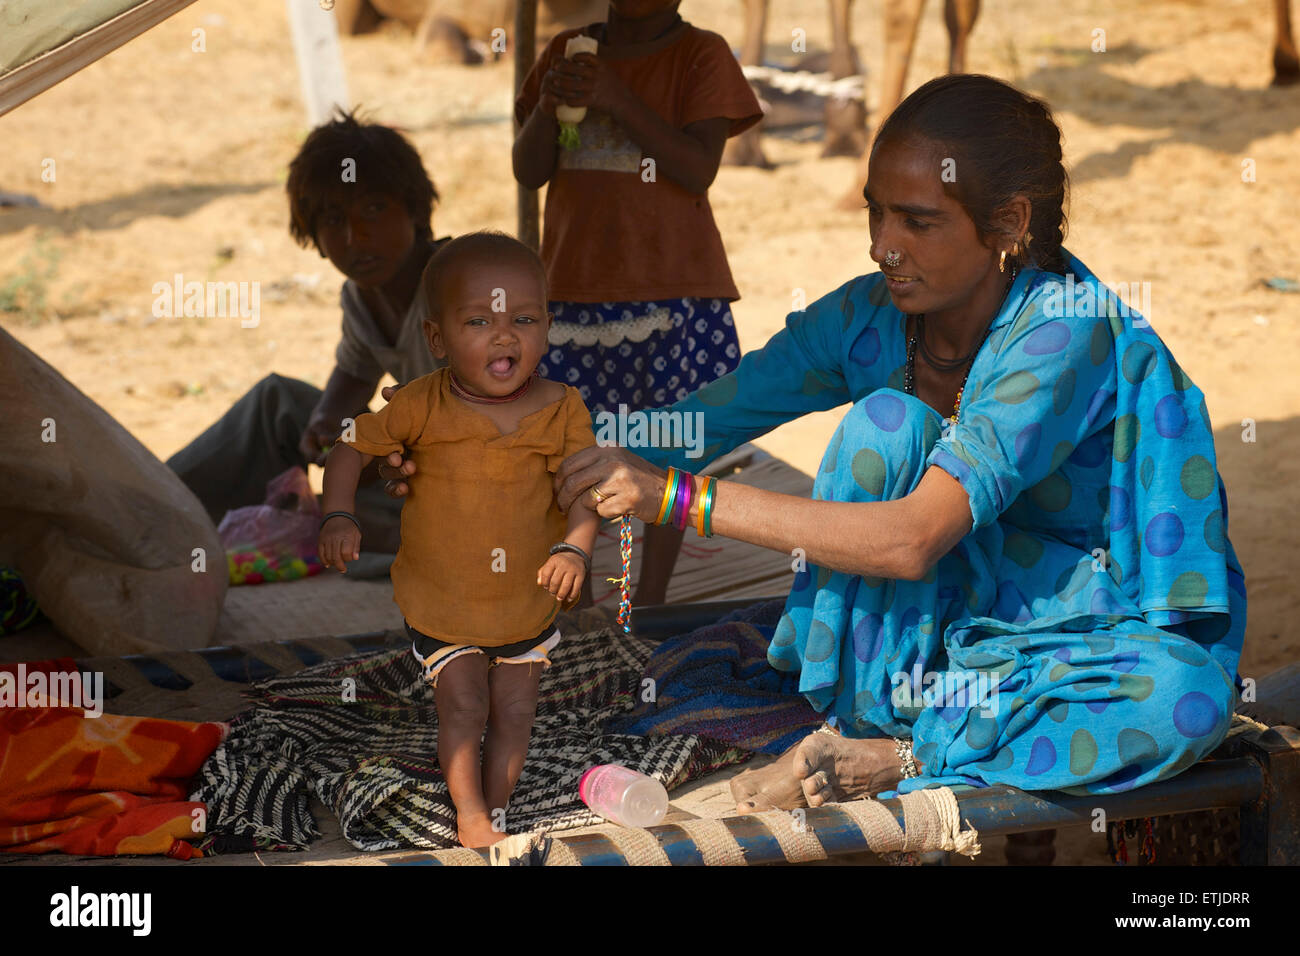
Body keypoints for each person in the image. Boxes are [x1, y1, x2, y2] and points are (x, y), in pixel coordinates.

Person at [553, 74, 1248, 809]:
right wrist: (537, 449)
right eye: (876, 213)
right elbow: (694, 426)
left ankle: (896, 753)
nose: (884, 246)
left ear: (1009, 223)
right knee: (886, 427)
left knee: (1184, 697)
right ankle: (868, 715)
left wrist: (676, 498)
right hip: (930, 622)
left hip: (1068, 620)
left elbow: (912, 541)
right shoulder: (867, 318)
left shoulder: (1062, 331)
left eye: (917, 222)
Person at [318, 231, 600, 848]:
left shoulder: (563, 408)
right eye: (480, 321)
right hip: (444, 599)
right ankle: (470, 812)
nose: (505, 337)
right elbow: (348, 447)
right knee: (466, 707)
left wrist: (576, 545)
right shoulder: (419, 405)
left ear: (548, 327)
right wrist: (338, 515)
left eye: (524, 319)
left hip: (525, 598)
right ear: (437, 339)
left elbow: (585, 488)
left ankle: (497, 807)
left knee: (517, 712)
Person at [512, 0, 762, 605]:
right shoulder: (568, 50)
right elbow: (528, 168)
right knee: (573, 451)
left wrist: (618, 98)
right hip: (573, 290)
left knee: (670, 448)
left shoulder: (700, 54)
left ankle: (649, 600)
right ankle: (582, 602)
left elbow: (698, 168)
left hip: (671, 289)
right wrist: (550, 104)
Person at [166, 112, 446, 552]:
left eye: (374, 209)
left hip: (474, 482)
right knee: (276, 403)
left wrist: (369, 455)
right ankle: (151, 510)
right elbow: (351, 378)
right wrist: (325, 427)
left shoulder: (460, 286)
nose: (357, 237)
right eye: (334, 221)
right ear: (313, 236)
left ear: (413, 207)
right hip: (406, 470)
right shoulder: (362, 297)